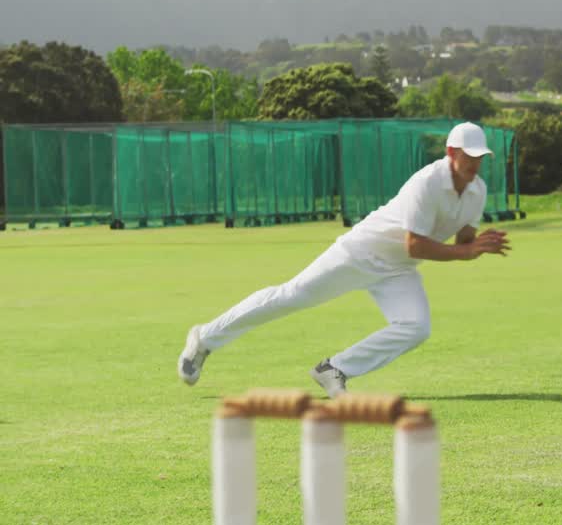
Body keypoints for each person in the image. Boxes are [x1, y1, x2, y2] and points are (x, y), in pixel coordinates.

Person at [178, 121, 510, 397]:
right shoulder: (426, 182)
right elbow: (416, 245)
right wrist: (465, 251)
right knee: (291, 296)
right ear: (451, 153)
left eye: (481, 157)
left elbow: (462, 241)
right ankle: (204, 338)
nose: (476, 163)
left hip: (398, 270)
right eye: (470, 156)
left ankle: (334, 368)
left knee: (416, 326)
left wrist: (478, 245)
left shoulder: (477, 190)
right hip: (360, 252)